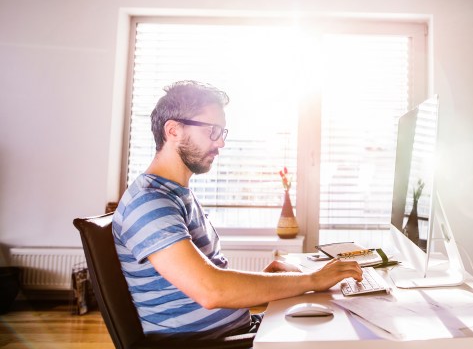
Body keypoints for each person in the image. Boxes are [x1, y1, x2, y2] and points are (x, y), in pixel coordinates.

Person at [112, 80, 362, 339]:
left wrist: (264, 283)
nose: (220, 143)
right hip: (211, 345)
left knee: (337, 322)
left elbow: (209, 283)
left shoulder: (178, 194)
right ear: (173, 130)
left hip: (237, 331)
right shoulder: (150, 202)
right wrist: (312, 280)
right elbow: (211, 291)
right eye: (212, 131)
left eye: (222, 133)